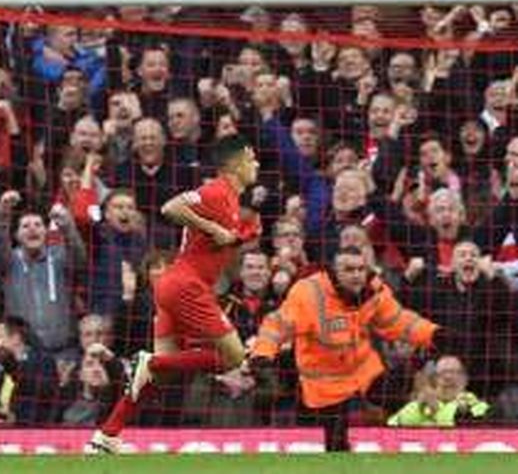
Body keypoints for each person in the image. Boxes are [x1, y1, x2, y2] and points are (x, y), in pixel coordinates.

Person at [89, 134, 262, 453]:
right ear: (234, 164)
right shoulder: (216, 190)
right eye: (251, 159)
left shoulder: (233, 202)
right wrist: (215, 230)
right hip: (186, 285)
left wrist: (238, 239)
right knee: (233, 357)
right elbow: (171, 207)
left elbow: (211, 247)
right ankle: (150, 362)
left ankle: (108, 435)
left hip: (173, 286)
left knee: (161, 377)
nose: (257, 164)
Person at [249, 245, 451, 451]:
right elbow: (277, 325)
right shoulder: (308, 293)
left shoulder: (374, 289)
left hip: (365, 370)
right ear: (333, 272)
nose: (356, 275)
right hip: (325, 383)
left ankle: (426, 437)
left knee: (398, 396)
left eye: (360, 269)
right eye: (348, 270)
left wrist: (432, 334)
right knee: (336, 447)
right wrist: (262, 355)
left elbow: (397, 321)